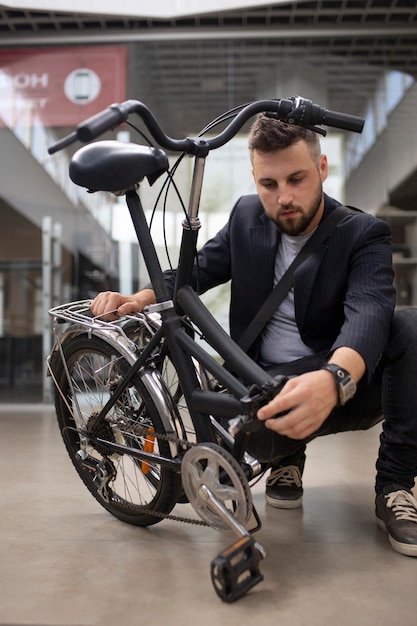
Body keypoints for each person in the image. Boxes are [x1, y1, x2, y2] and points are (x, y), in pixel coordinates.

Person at [91, 114, 417, 557]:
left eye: (297, 179)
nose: (284, 197)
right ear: (254, 178)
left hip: (338, 382)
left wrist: (335, 378)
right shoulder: (247, 216)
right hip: (261, 383)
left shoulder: (362, 234)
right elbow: (200, 269)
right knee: (241, 455)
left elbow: (370, 312)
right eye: (269, 183)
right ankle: (284, 459)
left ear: (321, 169)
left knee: (410, 326)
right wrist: (141, 295)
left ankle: (395, 485)